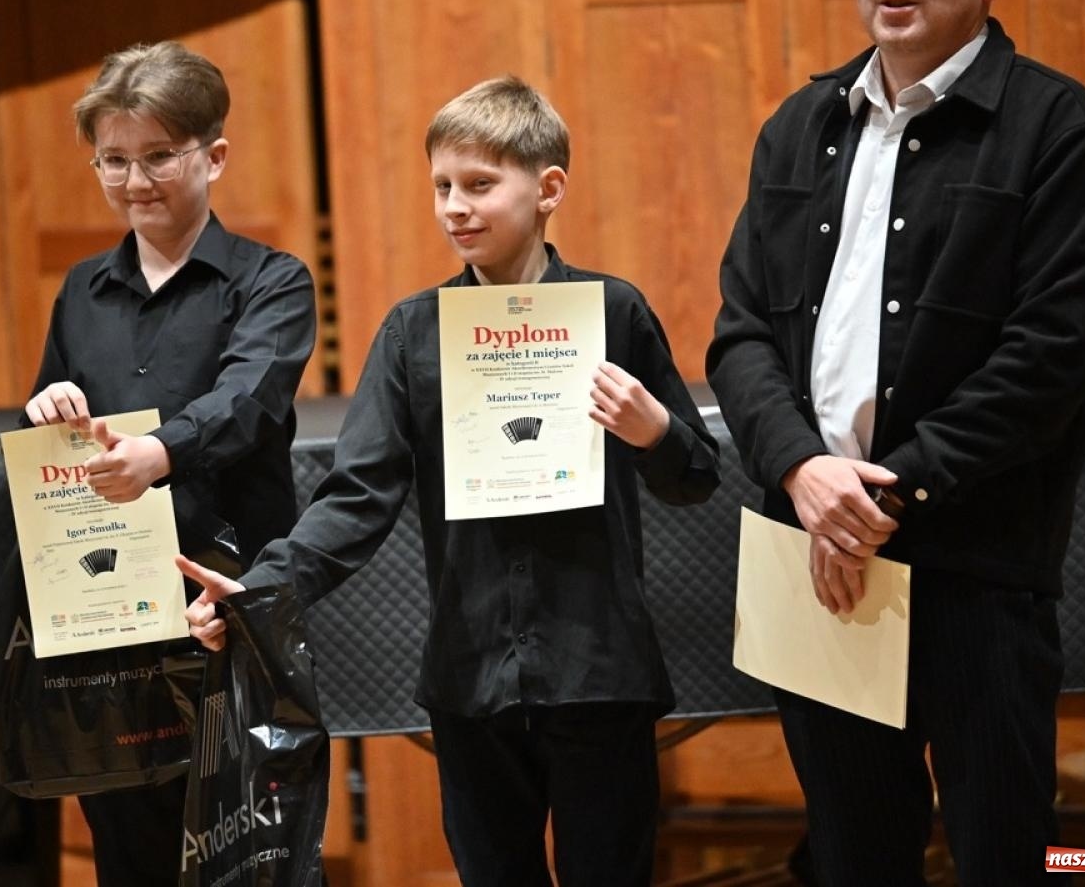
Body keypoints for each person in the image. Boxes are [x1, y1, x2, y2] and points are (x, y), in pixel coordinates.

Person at [179, 76, 720, 887]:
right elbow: (356, 497)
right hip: (472, 681)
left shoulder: (613, 311)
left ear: (548, 190)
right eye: (441, 186)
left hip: (598, 676)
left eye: (479, 184)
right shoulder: (412, 333)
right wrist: (256, 590)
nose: (455, 207)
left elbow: (696, 480)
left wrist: (656, 433)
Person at [706, 0, 1085, 886]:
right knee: (852, 857)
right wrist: (805, 473)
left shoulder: (1053, 127)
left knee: (999, 852)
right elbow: (741, 333)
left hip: (973, 565)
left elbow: (1050, 355)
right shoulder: (797, 125)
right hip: (812, 559)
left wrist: (887, 493)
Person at [20, 41, 316, 887]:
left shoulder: (272, 280)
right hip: (108, 610)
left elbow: (250, 401)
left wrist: (157, 453)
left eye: (158, 157)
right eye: (113, 160)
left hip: (227, 600)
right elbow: (48, 414)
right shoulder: (80, 288)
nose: (134, 180)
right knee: (129, 850)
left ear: (213, 156)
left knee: (250, 845)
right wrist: (46, 412)